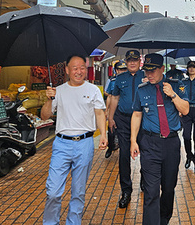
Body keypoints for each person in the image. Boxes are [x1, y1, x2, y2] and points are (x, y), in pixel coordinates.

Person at [41, 55, 107, 224]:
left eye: (82, 68)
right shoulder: (58, 90)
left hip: (84, 144)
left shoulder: (93, 90)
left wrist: (103, 135)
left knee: (79, 191)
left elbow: (100, 113)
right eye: (75, 68)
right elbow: (45, 116)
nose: (79, 71)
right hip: (61, 144)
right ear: (67, 70)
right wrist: (49, 100)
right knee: (53, 191)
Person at [130, 53, 189, 225]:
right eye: (146, 71)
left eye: (153, 71)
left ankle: (164, 220)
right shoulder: (142, 89)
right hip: (149, 144)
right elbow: (136, 114)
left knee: (169, 188)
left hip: (171, 143)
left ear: (162, 69)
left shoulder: (177, 86)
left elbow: (185, 110)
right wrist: (134, 140)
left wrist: (172, 95)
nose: (149, 75)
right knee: (151, 190)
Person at [108, 50, 145, 208]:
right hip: (123, 120)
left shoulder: (146, 76)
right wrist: (110, 117)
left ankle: (145, 182)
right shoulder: (120, 78)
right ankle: (126, 190)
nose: (132, 63)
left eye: (135, 60)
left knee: (147, 153)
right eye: (129, 60)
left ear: (139, 61)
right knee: (124, 155)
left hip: (143, 120)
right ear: (126, 61)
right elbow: (115, 98)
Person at [104, 61, 128, 158]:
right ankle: (110, 147)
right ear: (116, 70)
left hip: (125, 110)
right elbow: (109, 96)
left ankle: (123, 150)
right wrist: (107, 110)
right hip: (115, 109)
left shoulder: (129, 80)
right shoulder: (112, 81)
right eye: (120, 69)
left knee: (123, 132)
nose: (122, 71)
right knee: (111, 130)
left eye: (124, 69)